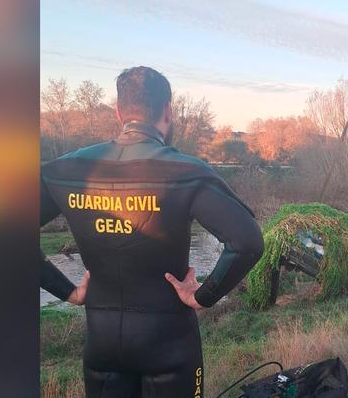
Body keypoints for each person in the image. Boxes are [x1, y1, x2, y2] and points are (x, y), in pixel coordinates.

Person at [40, 66, 264, 397]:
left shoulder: (65, 170)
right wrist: (203, 296)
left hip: (102, 343)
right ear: (168, 111)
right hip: (169, 342)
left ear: (118, 112)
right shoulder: (186, 172)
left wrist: (68, 291)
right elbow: (247, 242)